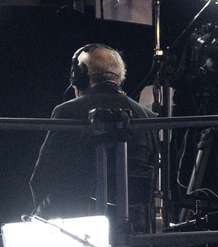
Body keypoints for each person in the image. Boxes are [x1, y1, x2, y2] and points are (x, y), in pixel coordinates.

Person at [28, 45, 156, 220]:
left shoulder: (66, 112)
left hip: (80, 223)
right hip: (135, 225)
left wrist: (43, 219)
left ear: (79, 77)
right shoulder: (146, 116)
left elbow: (42, 177)